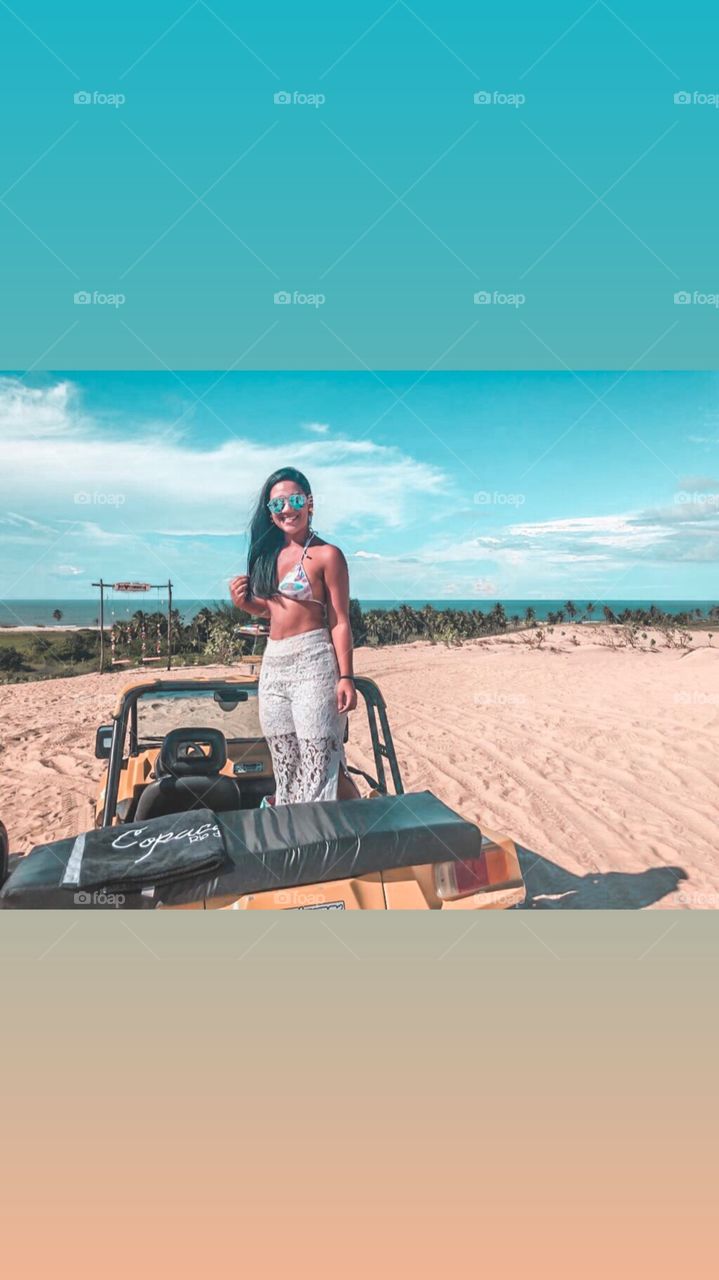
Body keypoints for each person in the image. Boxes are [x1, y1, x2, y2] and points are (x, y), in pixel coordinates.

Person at [229, 467, 361, 806]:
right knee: (286, 761)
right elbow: (276, 612)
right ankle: (296, 835)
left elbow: (339, 620)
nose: (287, 509)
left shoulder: (328, 555)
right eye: (277, 505)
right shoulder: (268, 556)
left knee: (321, 759)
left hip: (313, 662)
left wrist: (346, 676)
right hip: (274, 665)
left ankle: (358, 823)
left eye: (295, 500)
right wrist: (247, 604)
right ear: (270, 514)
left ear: (310, 503)